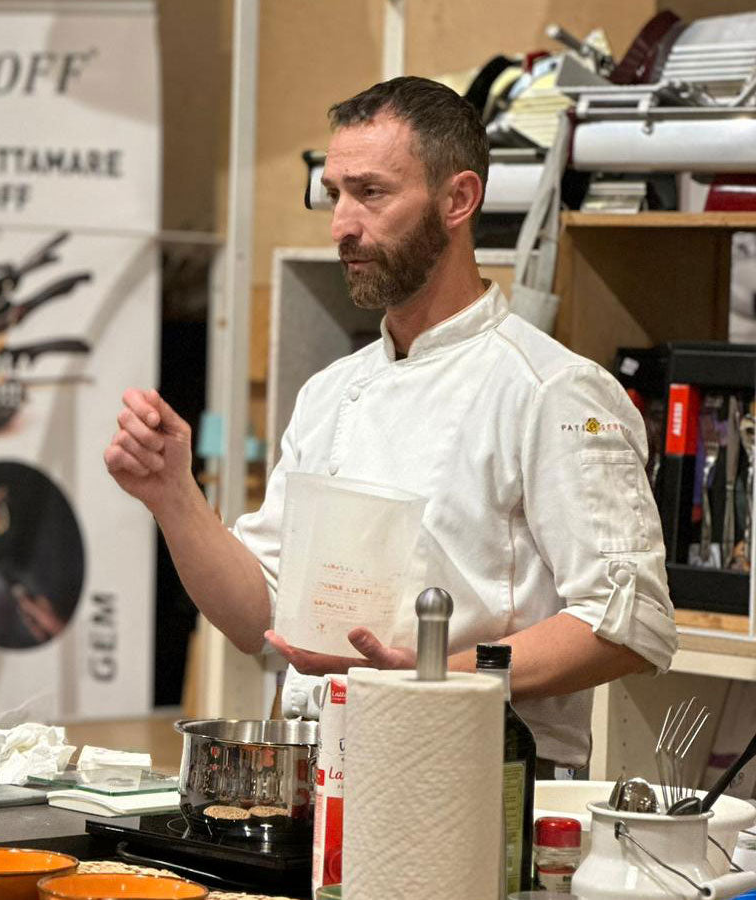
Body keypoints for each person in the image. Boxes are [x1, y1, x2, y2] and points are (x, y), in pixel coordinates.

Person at [103, 76, 677, 769]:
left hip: (482, 778)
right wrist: (174, 495)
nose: (343, 224)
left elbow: (624, 620)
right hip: (322, 769)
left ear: (458, 199)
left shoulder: (554, 390)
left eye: (371, 193)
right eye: (334, 194)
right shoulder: (331, 391)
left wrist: (436, 674)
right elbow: (262, 618)